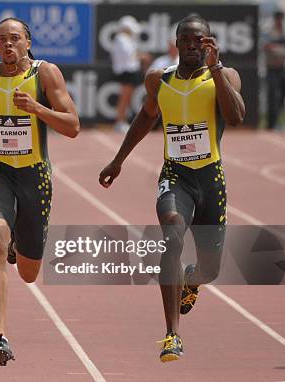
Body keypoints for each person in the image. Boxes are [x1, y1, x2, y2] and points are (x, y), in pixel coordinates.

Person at [99, 15, 245, 362]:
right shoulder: (158, 80)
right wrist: (118, 160)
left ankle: (193, 280)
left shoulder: (223, 76)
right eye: (186, 41)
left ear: (209, 43)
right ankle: (171, 334)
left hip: (210, 179)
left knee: (210, 269)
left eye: (200, 41)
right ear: (176, 43)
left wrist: (218, 69)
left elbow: (237, 117)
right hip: (175, 176)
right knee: (173, 236)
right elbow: (146, 118)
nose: (193, 46)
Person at [0, 17, 79, 366]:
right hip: (0, 173)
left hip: (35, 177)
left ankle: (20, 242)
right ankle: (0, 337)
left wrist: (37, 108)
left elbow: (73, 126)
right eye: (2, 39)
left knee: (29, 273)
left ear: (28, 42)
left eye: (15, 39)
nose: (8, 45)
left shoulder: (45, 74)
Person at [110, 16, 143, 133]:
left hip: (129, 71)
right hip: (126, 71)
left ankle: (122, 121)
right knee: (124, 97)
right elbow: (130, 54)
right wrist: (141, 56)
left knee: (127, 98)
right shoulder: (121, 38)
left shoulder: (127, 39)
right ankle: (119, 122)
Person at [263, 10, 285, 130]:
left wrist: (278, 50)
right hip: (271, 70)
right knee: (273, 97)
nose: (280, 21)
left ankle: (276, 122)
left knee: (283, 96)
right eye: (278, 19)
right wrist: (283, 51)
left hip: (283, 70)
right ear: (275, 19)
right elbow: (267, 47)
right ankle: (270, 124)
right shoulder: (269, 32)